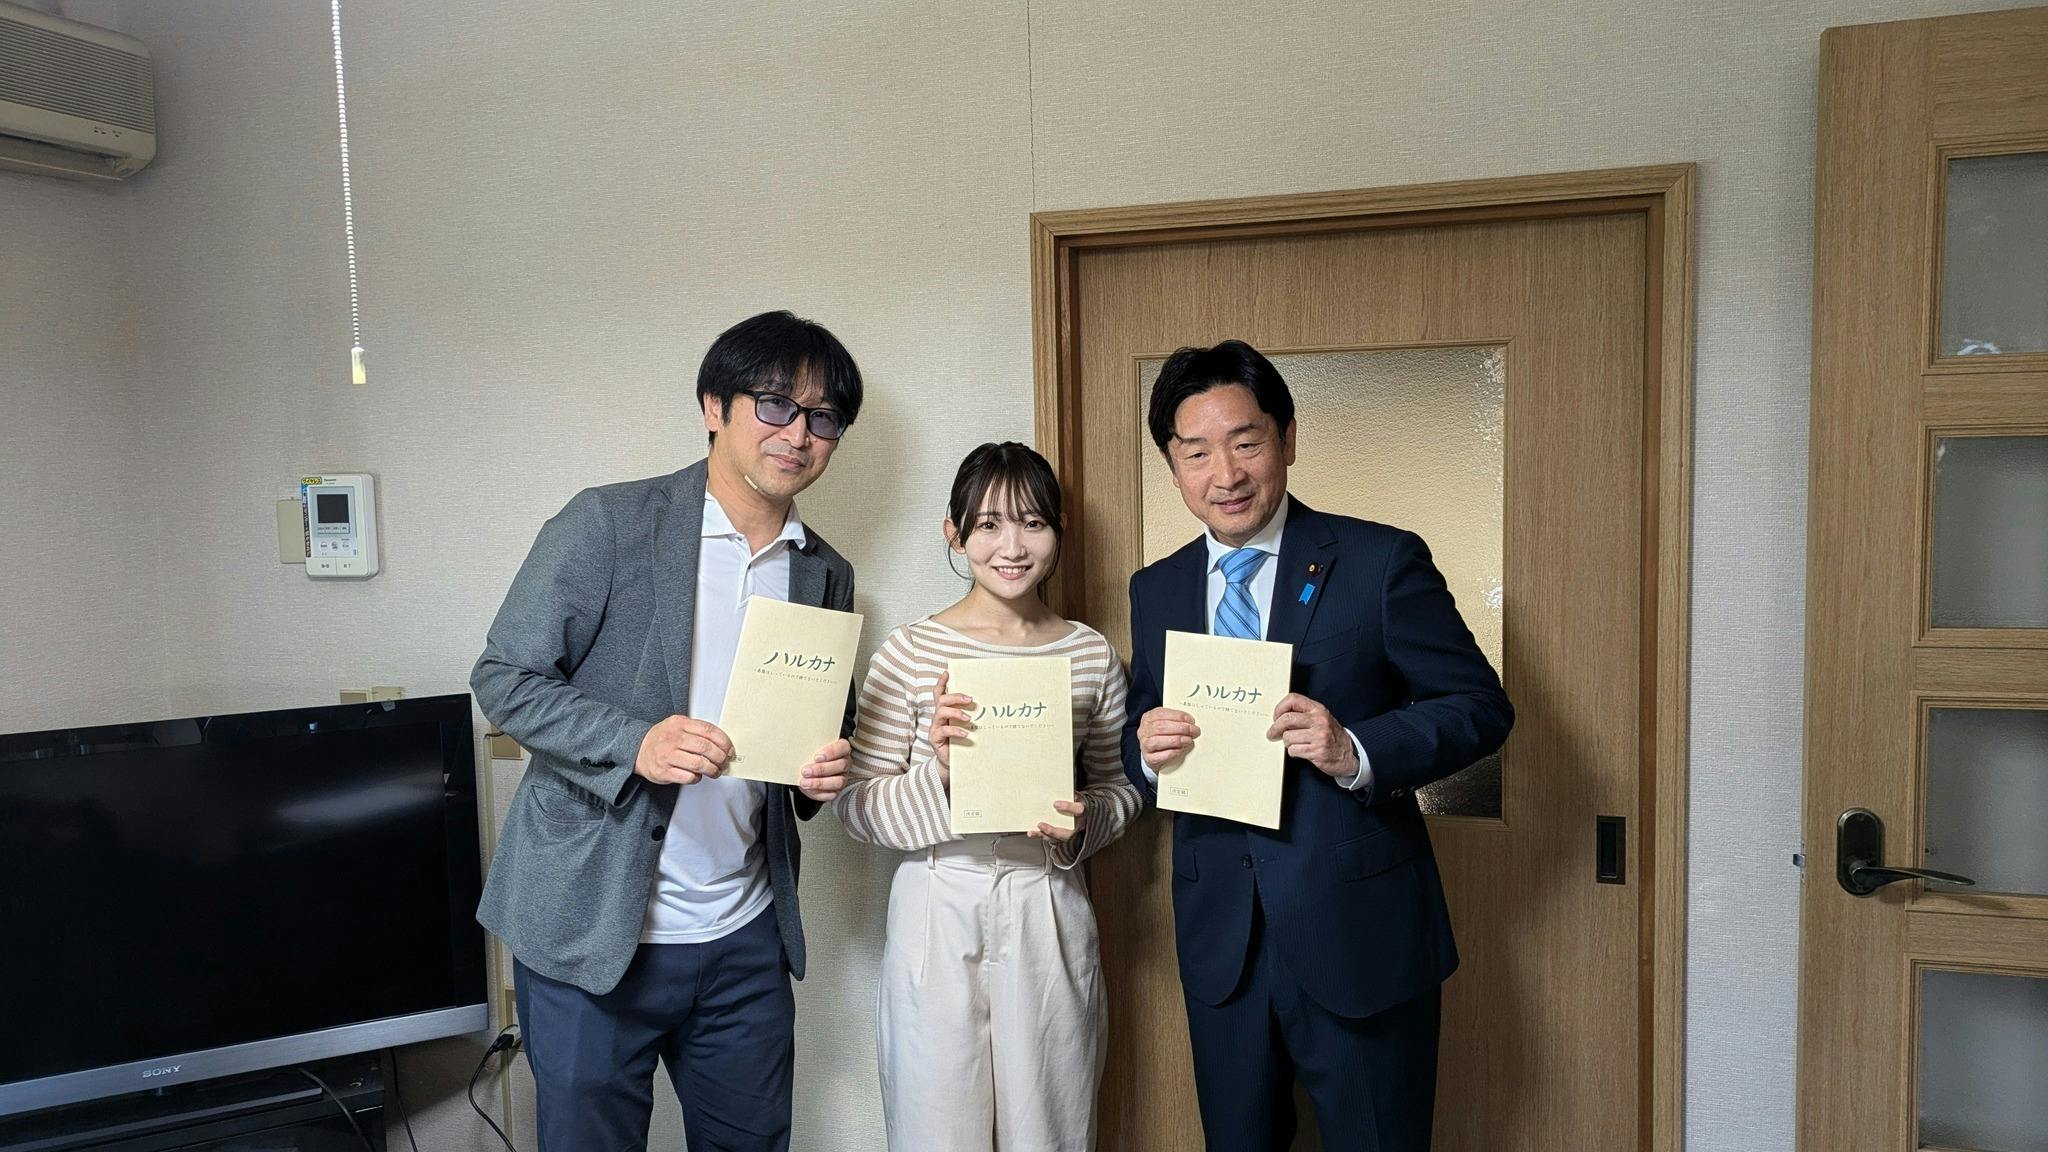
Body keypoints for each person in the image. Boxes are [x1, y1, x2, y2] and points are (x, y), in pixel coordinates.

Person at [471, 311, 864, 1152]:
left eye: (823, 416)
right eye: (775, 405)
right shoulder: (609, 523)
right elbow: (503, 679)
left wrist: (824, 772)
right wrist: (635, 744)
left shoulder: (823, 570)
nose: (799, 433)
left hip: (745, 936)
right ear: (713, 407)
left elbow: (823, 724)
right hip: (591, 931)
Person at [1124, 340, 1514, 1152]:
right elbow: (1139, 741)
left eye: (1246, 442)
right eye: (1197, 453)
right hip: (1223, 944)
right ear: (1173, 467)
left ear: (1288, 439)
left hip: (1360, 933)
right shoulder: (1156, 587)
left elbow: (1481, 707)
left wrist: (1356, 749)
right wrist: (1146, 749)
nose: (1225, 474)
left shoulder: (1379, 561)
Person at [836, 441, 1143, 1152]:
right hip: (937, 894)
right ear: (955, 533)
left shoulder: (1089, 653)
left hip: (1047, 894)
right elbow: (855, 805)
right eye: (989, 525)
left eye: (1033, 523)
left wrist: (1085, 821)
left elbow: (1123, 788)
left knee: (1052, 1125)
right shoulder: (911, 650)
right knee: (935, 1129)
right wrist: (940, 774)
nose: (1012, 547)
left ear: (1060, 530)